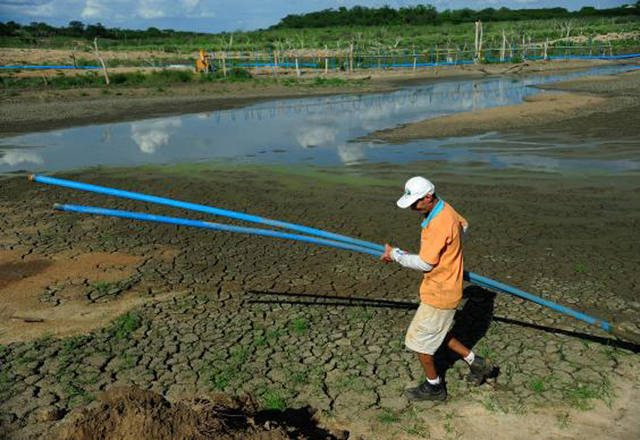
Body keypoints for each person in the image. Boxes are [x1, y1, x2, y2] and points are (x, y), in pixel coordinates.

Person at [381, 176, 494, 401]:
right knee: (439, 332)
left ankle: (434, 388)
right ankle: (476, 363)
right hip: (447, 284)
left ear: (429, 197)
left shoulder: (438, 224)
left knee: (418, 342)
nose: (413, 207)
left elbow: (425, 263)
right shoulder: (446, 209)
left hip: (440, 292)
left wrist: (395, 254)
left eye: (415, 203)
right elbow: (464, 223)